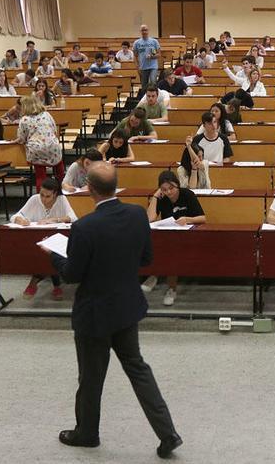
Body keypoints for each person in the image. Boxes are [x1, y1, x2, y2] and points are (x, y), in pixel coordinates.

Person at [45, 161, 182, 457]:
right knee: (138, 369)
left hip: (94, 314)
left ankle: (86, 433)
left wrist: (55, 255)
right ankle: (168, 432)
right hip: (126, 306)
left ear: (90, 189)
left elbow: (71, 274)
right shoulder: (135, 214)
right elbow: (145, 258)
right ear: (116, 185)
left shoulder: (84, 227)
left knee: (91, 376)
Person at [142, 170, 207, 306]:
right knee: (152, 240)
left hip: (188, 234)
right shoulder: (161, 198)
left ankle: (171, 288)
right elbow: (150, 219)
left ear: (177, 185)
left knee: (171, 249)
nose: (169, 192)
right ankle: (154, 275)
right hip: (169, 234)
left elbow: (203, 218)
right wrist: (155, 197)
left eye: (171, 188)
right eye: (164, 190)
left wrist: (187, 219)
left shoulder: (187, 194)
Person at [10, 177, 75, 300]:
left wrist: (54, 219)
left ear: (55, 194)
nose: (43, 199)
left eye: (47, 196)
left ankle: (36, 282)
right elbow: (15, 216)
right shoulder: (34, 199)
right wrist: (21, 220)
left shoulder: (62, 200)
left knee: (52, 253)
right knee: (38, 252)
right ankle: (55, 285)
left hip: (57, 239)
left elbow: (73, 217)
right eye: (42, 195)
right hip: (37, 239)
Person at [17, 95, 63, 189]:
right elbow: (55, 130)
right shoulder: (46, 114)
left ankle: (41, 198)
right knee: (59, 169)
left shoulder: (24, 119)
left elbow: (21, 139)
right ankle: (61, 188)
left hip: (36, 149)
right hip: (52, 145)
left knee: (40, 176)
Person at [133, 25, 161, 99]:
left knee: (153, 82)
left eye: (145, 30)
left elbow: (159, 54)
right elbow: (135, 56)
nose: (144, 32)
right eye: (142, 30)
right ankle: (145, 100)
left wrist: (152, 56)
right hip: (143, 67)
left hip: (153, 66)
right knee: (144, 85)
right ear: (140, 32)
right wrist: (137, 67)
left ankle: (155, 98)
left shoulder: (154, 41)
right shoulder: (137, 43)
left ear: (148, 31)